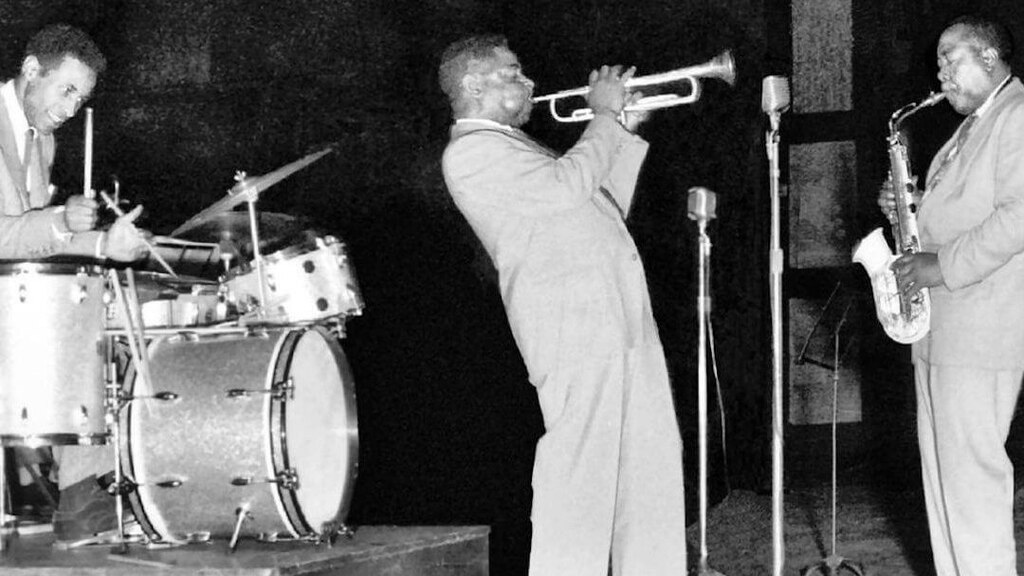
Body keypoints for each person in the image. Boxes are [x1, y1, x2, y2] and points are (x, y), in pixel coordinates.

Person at [439, 35, 687, 575]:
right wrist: (601, 117)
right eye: (513, 73)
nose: (529, 84)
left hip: (617, 317)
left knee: (646, 469)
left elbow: (605, 203)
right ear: (474, 85)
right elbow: (567, 187)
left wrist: (620, 129)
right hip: (572, 329)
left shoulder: (516, 146)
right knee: (581, 475)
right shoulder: (471, 151)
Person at [879, 14, 1024, 576]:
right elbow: (953, 219)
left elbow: (1019, 217)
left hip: (982, 332)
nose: (940, 74)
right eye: (938, 62)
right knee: (944, 492)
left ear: (988, 58)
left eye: (950, 59)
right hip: (943, 333)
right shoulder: (969, 128)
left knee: (974, 492)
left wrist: (942, 265)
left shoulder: (1015, 116)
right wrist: (906, 209)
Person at [0, 23, 150, 542]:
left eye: (80, 98)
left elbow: (35, 239)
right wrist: (63, 219)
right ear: (30, 71)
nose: (68, 109)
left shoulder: (40, 141)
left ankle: (86, 500)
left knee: (91, 323)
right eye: (65, 90)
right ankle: (84, 500)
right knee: (71, 329)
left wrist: (106, 244)